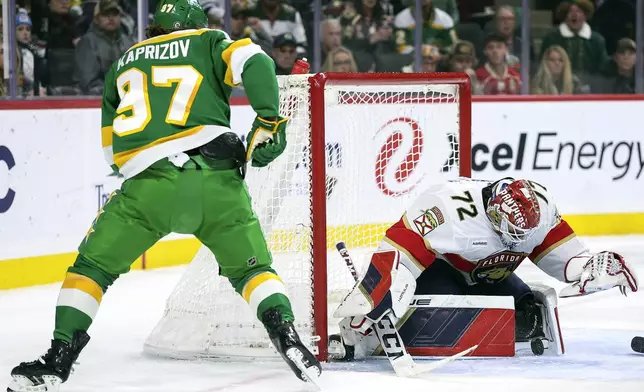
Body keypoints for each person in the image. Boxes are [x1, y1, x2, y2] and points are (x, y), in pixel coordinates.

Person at [7, 1, 321, 391]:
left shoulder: (124, 60)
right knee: (252, 270)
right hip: (217, 182)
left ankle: (59, 358)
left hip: (148, 190)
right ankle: (284, 332)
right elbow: (256, 60)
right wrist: (268, 118)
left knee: (91, 269)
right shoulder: (209, 41)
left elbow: (111, 153)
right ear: (193, 24)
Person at [330, 177, 638, 360]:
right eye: (510, 233)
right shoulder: (445, 208)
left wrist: (592, 269)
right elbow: (397, 258)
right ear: (492, 212)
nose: (517, 243)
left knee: (527, 313)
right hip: (440, 271)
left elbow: (568, 262)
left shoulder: (541, 210)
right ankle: (372, 335)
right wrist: (373, 298)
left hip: (490, 276)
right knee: (437, 316)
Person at [73, 0, 136, 95]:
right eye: (106, 15)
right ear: (96, 19)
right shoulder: (88, 42)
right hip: (96, 99)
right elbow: (89, 82)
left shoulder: (127, 41)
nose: (111, 18)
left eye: (115, 14)